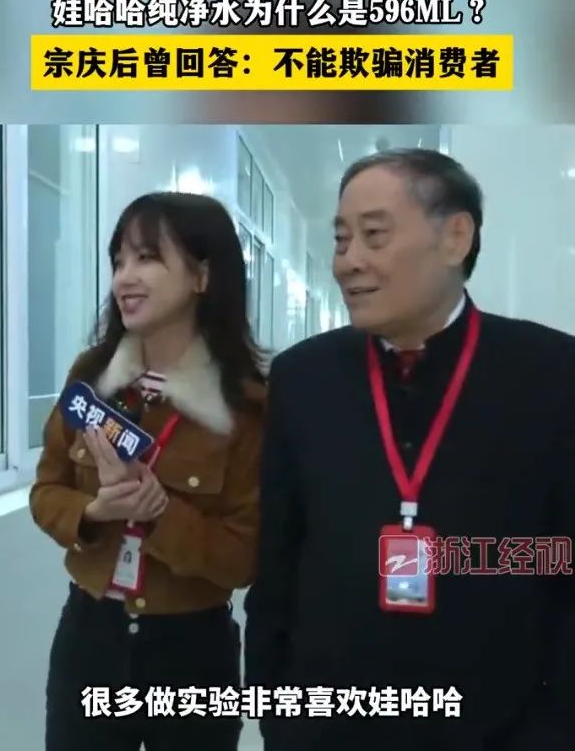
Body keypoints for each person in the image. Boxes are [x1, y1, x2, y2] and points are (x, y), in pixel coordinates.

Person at [244, 149, 575, 750]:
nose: (348, 261)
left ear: (455, 237)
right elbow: (278, 563)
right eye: (341, 240)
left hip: (499, 727)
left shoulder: (552, 374)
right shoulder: (303, 377)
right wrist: (277, 711)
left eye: (374, 235)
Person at [30, 191, 267, 751]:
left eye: (146, 258)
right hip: (90, 638)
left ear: (202, 276)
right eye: (118, 261)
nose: (124, 278)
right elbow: (45, 490)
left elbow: (243, 557)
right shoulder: (91, 378)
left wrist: (160, 514)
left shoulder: (247, 407)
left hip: (192, 652)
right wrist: (93, 512)